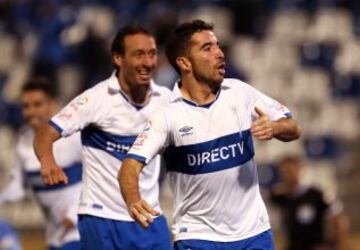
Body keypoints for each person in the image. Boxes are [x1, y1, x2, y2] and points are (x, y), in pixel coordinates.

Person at [119, 19, 301, 250]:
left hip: (254, 234)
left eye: (218, 46)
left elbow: (293, 126)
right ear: (184, 63)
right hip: (199, 238)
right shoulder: (166, 116)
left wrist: (275, 128)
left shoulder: (239, 92)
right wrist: (133, 199)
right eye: (207, 48)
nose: (220, 54)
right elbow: (130, 166)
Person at [33, 25, 172, 250]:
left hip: (150, 217)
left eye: (152, 53)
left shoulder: (166, 100)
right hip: (102, 218)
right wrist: (47, 160)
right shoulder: (95, 100)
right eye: (138, 54)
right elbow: (45, 134)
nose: (147, 62)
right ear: (118, 58)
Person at [0, 78, 82, 250]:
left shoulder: (73, 138)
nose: (31, 111)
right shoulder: (22, 142)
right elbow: (18, 186)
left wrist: (75, 212)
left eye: (37, 104)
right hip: (54, 235)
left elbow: (99, 177)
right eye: (26, 106)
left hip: (79, 230)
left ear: (52, 104)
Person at [270, 155, 349, 250]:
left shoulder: (318, 195)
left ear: (300, 169)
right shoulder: (281, 197)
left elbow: (338, 219)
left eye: (290, 170)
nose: (287, 175)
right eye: (284, 172)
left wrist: (334, 244)